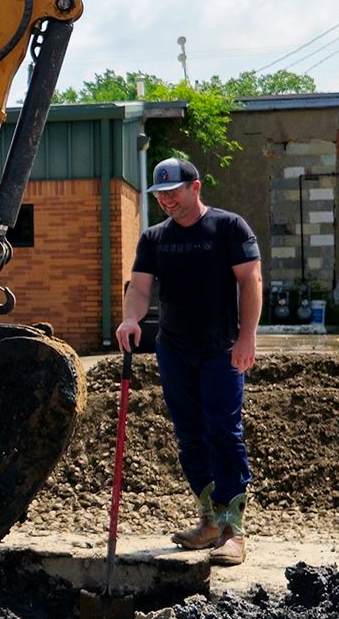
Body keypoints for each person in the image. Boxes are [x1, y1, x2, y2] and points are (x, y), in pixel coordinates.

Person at [113, 156, 263, 565]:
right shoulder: (154, 238)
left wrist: (247, 338)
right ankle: (209, 520)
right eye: (160, 194)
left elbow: (251, 281)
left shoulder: (229, 227)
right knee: (190, 435)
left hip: (221, 349)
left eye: (173, 192)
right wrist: (130, 318)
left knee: (224, 432)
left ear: (195, 187)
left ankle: (233, 530)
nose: (166, 200)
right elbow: (139, 288)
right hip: (174, 351)